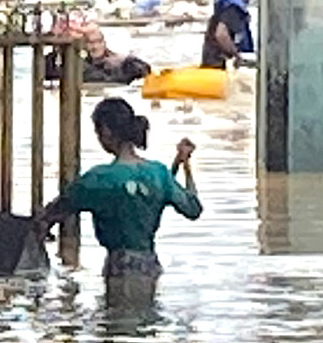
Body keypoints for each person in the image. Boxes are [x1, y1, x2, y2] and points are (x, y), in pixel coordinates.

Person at [39, 98, 201, 287]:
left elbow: (56, 211)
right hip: (150, 267)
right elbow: (193, 208)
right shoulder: (159, 173)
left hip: (119, 268)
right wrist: (186, 164)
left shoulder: (98, 179)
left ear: (106, 131)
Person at [199, 0, 255, 68]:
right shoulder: (233, 7)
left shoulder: (226, 0)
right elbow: (221, 34)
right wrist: (237, 56)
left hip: (211, 61)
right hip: (218, 65)